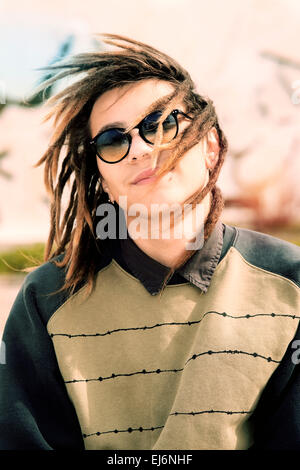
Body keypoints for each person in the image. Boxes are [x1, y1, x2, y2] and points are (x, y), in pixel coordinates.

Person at [0, 34, 300, 451]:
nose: (140, 148)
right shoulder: (46, 300)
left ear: (210, 146)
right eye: (112, 140)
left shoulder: (291, 282)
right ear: (101, 178)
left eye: (161, 124)